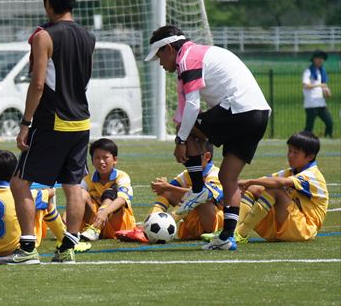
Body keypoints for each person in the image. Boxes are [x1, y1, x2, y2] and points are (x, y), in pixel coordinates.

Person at [144, 24, 270, 251]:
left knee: (188, 128)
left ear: (170, 49)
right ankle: (227, 238)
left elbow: (192, 107)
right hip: (259, 115)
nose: (160, 64)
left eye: (159, 56)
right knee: (228, 177)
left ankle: (199, 188)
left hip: (239, 110)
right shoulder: (197, 54)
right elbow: (188, 109)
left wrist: (181, 141)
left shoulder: (187, 59)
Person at [2, 0, 95, 265]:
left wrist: (26, 122)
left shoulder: (44, 36)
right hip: (82, 121)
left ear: (47, 3)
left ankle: (28, 248)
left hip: (53, 120)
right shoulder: (88, 36)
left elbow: (38, 84)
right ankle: (68, 246)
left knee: (19, 183)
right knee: (74, 185)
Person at [232, 131, 328, 243]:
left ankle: (240, 234)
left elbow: (279, 183)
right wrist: (245, 184)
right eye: (289, 151)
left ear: (310, 156)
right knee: (252, 189)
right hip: (285, 225)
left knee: (275, 190)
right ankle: (232, 231)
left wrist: (250, 181)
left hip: (303, 229)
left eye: (295, 153)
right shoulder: (290, 172)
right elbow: (262, 183)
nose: (290, 155)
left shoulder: (312, 175)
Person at [117, 142, 223, 243]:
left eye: (191, 156)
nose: (186, 160)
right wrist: (161, 185)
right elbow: (168, 190)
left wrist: (168, 187)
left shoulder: (215, 174)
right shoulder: (187, 174)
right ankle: (146, 228)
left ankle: (168, 221)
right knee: (167, 192)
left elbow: (202, 195)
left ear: (207, 157)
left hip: (214, 224)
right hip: (197, 224)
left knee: (198, 197)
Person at [0, 151, 66, 259]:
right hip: (15, 248)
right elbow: (51, 192)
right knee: (45, 203)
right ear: (15, 171)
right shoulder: (26, 194)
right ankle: (64, 240)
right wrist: (45, 191)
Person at [77, 138, 135, 241]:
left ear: (115, 160)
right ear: (92, 161)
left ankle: (95, 229)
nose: (101, 161)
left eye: (105, 157)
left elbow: (122, 200)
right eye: (97, 158)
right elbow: (76, 201)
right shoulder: (87, 180)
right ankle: (90, 230)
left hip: (118, 228)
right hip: (91, 226)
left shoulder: (121, 176)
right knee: (80, 194)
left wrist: (104, 212)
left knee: (111, 192)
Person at [303, 50, 333, 137]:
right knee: (309, 128)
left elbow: (323, 86)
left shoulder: (321, 72)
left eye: (322, 59)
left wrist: (327, 91)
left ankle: (328, 138)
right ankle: (303, 141)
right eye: (319, 58)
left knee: (329, 123)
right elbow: (305, 85)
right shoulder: (308, 71)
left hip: (321, 104)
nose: (321, 60)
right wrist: (319, 85)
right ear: (314, 59)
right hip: (311, 104)